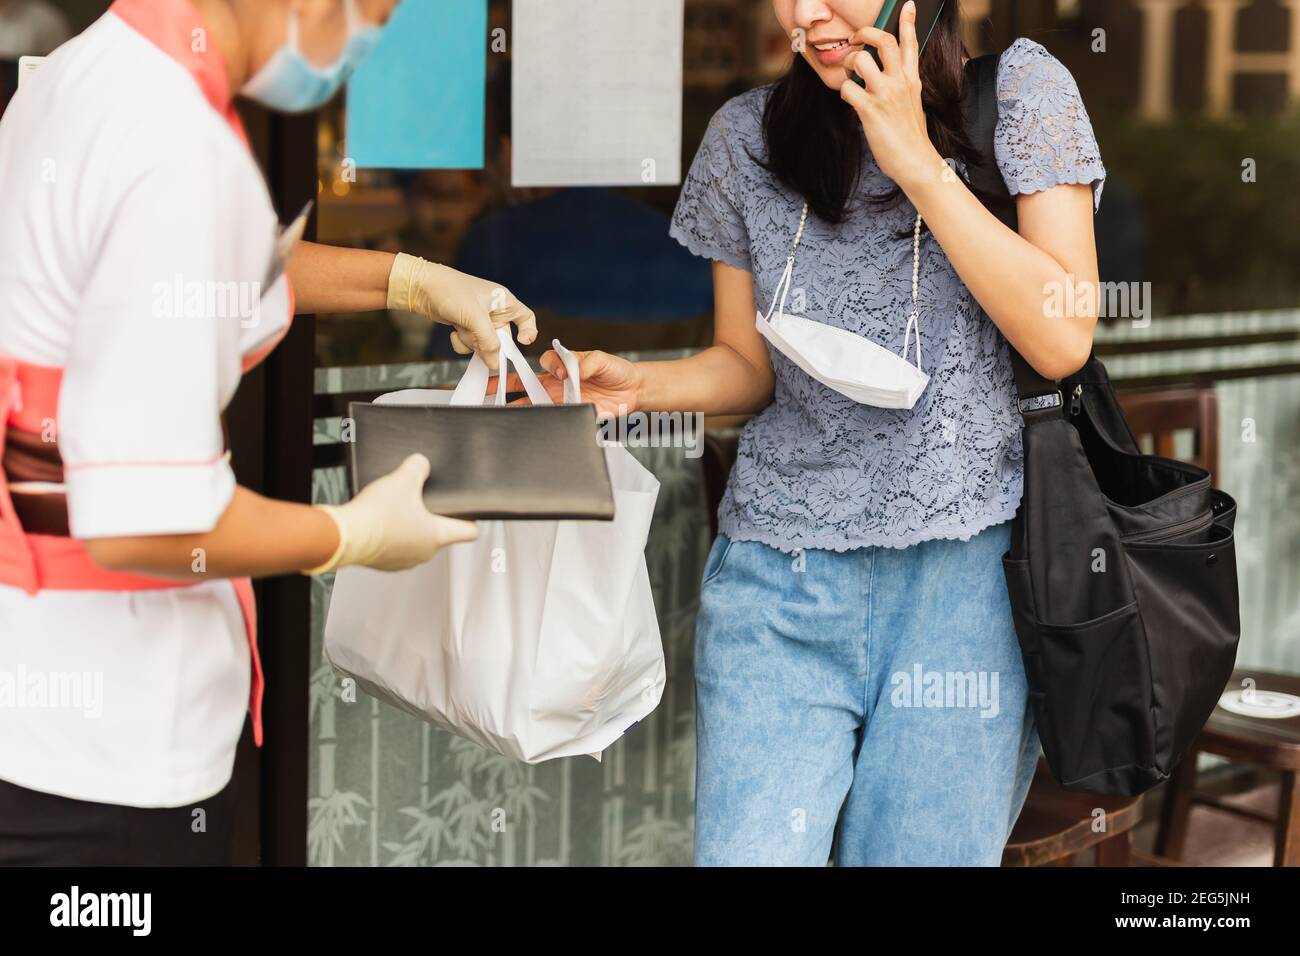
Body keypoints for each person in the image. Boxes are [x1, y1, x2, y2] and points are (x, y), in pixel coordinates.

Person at [514, 0, 1106, 865]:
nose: (803, 13)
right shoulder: (745, 136)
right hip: (777, 583)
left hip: (964, 589)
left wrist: (917, 166)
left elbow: (1062, 337)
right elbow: (746, 367)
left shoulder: (1021, 94)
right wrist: (641, 385)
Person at [0, 0, 536, 865]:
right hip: (113, 758)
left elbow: (207, 272)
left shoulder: (79, 77)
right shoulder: (179, 148)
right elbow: (147, 519)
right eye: (371, 11)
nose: (361, 39)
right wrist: (350, 534)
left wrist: (416, 281)